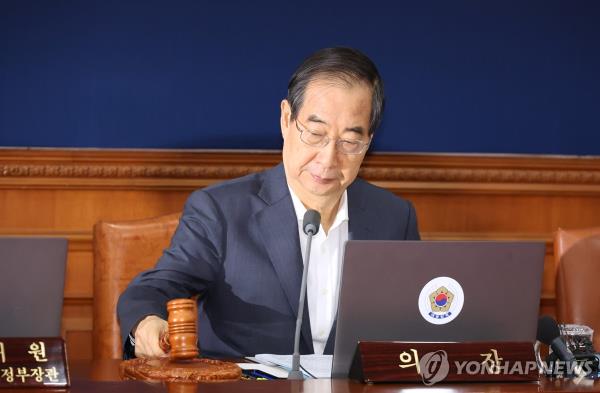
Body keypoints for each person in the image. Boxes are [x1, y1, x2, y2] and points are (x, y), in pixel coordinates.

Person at [117, 47, 420, 359]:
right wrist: (146, 322)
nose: (329, 159)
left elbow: (417, 319)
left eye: (350, 141)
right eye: (315, 134)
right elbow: (152, 289)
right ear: (286, 119)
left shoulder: (395, 217)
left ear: (369, 141)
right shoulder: (220, 212)